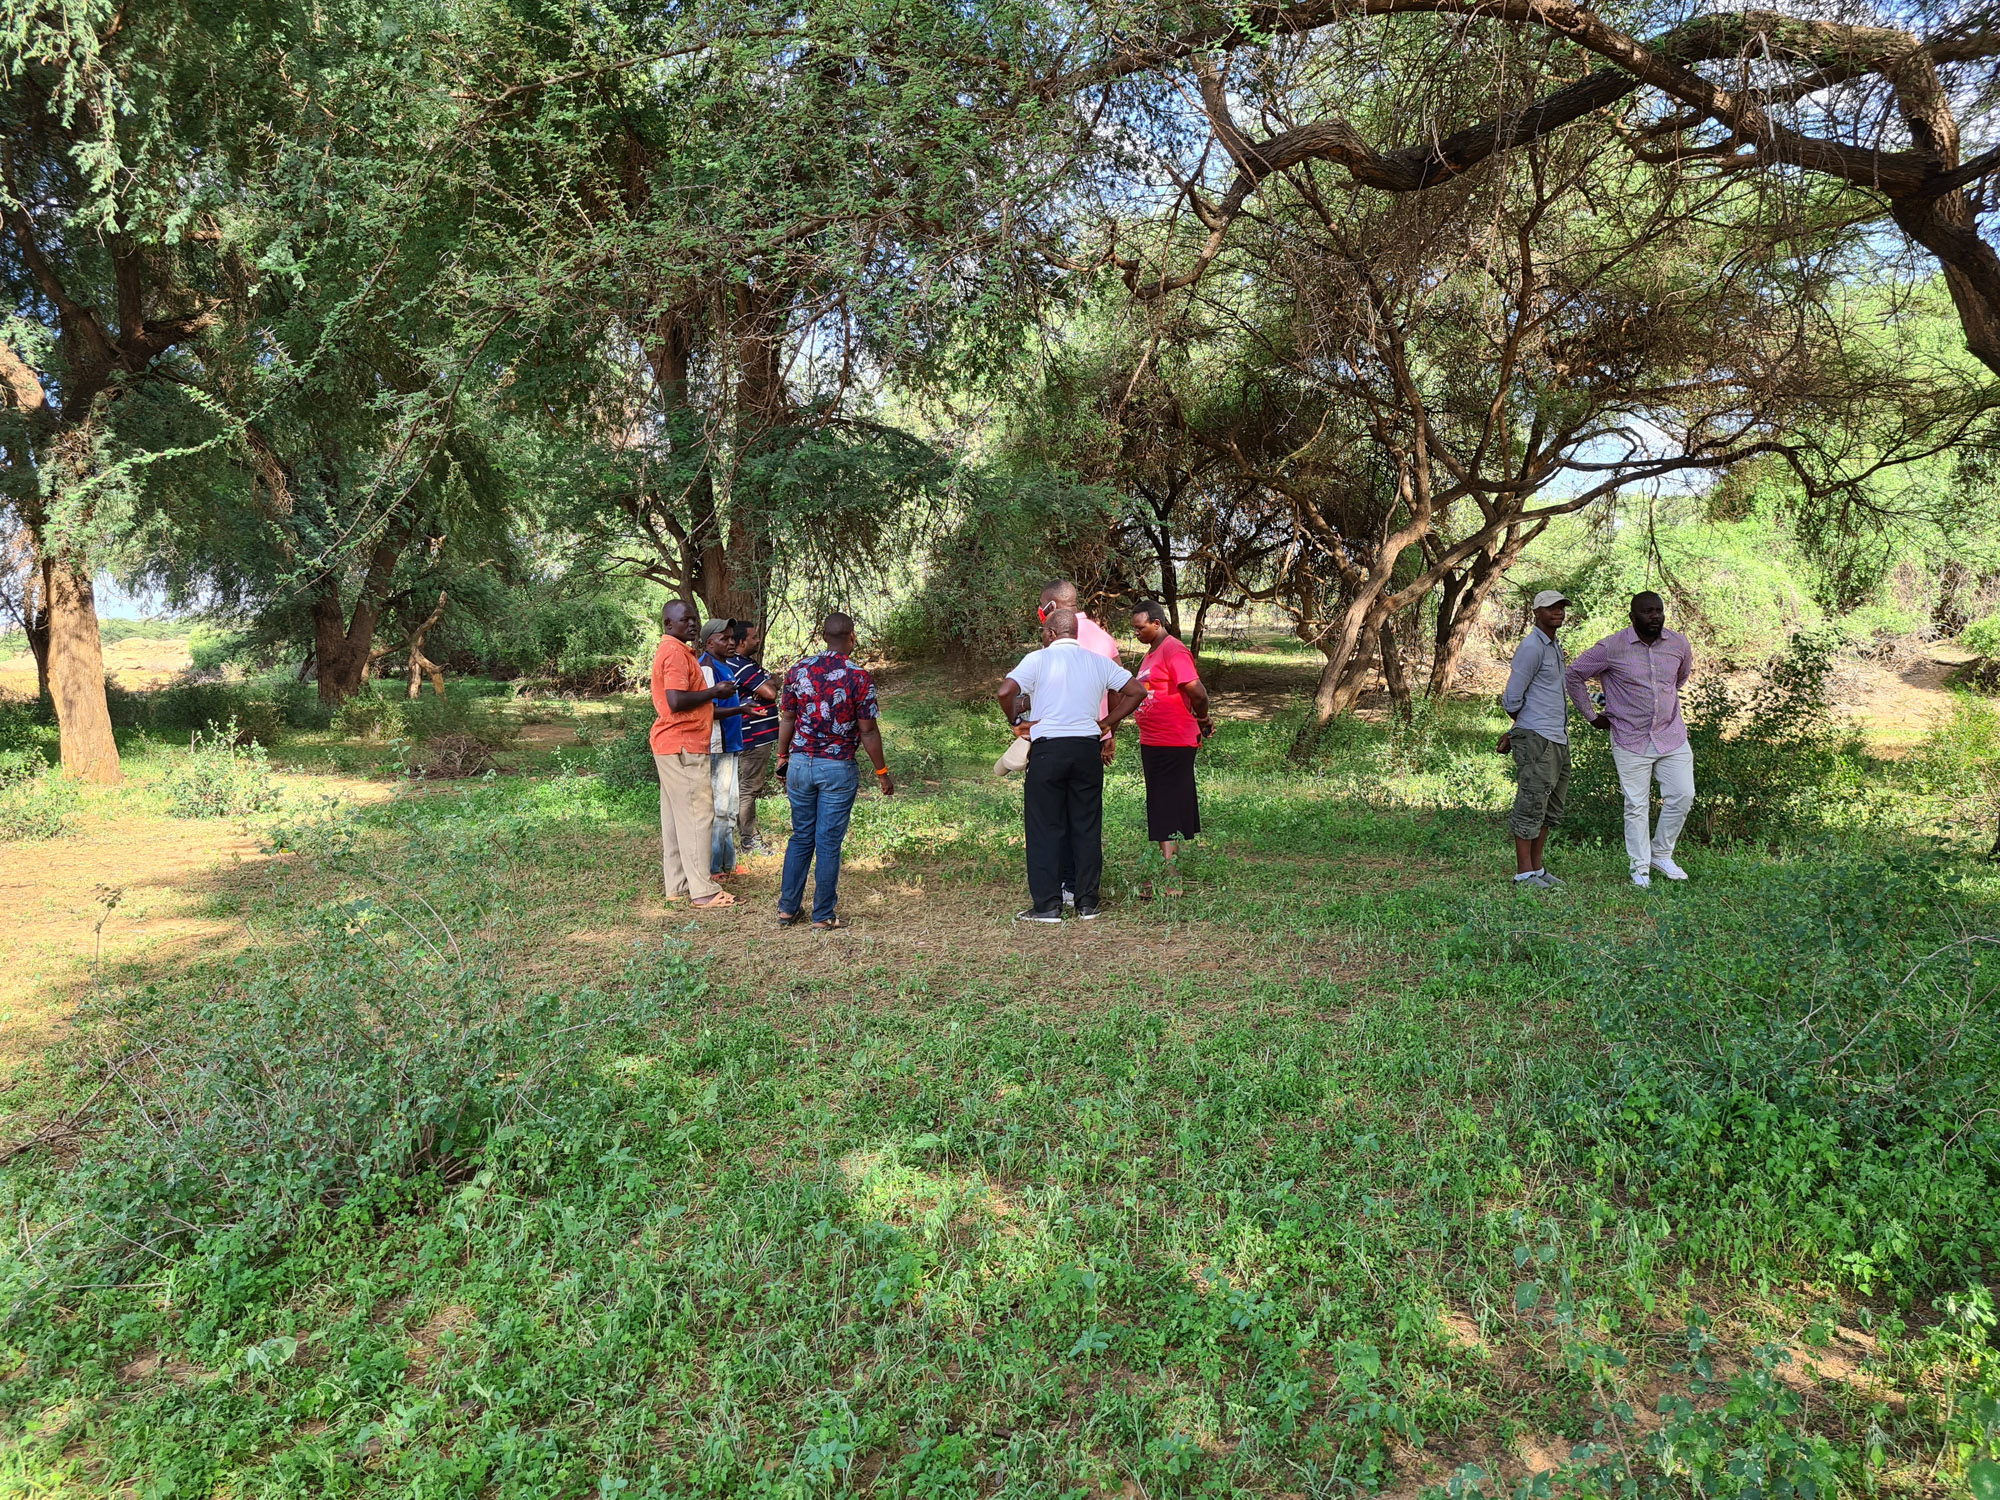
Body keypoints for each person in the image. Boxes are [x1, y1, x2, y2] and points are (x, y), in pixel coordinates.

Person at [998, 607, 1146, 922]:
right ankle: (1087, 903)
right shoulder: (1098, 661)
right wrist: (1106, 723)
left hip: (1048, 750)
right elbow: (1137, 691)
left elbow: (1005, 691)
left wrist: (1017, 722)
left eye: (1043, 633)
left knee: (1044, 826)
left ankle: (1047, 906)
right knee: (1086, 825)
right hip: (1086, 750)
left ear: (1051, 634)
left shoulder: (1038, 659)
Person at [1567, 590, 1696, 888]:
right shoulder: (1611, 647)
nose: (1655, 616)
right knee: (1637, 805)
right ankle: (1640, 867)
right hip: (1630, 737)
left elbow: (1678, 680)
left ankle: (1661, 854)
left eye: (1659, 610)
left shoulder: (1678, 644)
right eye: (1647, 611)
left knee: (1683, 795)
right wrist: (1591, 715)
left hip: (1671, 734)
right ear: (1632, 616)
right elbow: (1573, 674)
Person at [775, 613, 895, 931]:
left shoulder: (798, 670)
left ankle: (787, 909)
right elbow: (868, 731)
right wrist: (882, 772)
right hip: (837, 767)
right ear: (852, 637)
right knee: (828, 841)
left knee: (801, 836)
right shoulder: (858, 676)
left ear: (823, 636)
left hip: (800, 764)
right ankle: (823, 915)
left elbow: (788, 719)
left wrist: (782, 757)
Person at [649, 600, 742, 910]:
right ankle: (703, 891)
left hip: (672, 744)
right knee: (697, 814)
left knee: (676, 819)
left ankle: (678, 885)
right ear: (668, 624)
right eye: (684, 619)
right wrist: (715, 692)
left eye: (694, 618)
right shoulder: (675, 653)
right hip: (683, 744)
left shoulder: (673, 650)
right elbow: (676, 701)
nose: (692, 624)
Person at [1038, 580, 1122, 905]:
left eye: (1041, 607)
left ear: (1053, 606)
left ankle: (1065, 883)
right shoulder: (1103, 638)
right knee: (1085, 816)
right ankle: (1083, 892)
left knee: (1055, 814)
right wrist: (1109, 730)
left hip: (1055, 739)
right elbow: (1119, 689)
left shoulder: (1057, 637)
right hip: (1092, 737)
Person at [1130, 601, 1212, 896]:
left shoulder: (1173, 650)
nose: (1136, 633)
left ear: (1157, 623)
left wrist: (1203, 719)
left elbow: (1197, 692)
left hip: (1173, 741)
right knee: (1161, 807)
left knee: (1166, 808)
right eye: (1134, 629)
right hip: (1154, 741)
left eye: (1140, 627)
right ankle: (1166, 873)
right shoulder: (1152, 653)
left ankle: (1171, 880)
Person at [1497, 589, 1572, 891]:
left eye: (1561, 607)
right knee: (1531, 802)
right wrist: (1523, 729)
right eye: (1551, 607)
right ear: (1536, 612)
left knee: (1549, 806)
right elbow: (1512, 698)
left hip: (1557, 736)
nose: (1558, 612)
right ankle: (1523, 873)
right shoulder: (1531, 647)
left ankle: (1538, 868)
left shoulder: (1554, 646)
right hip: (1539, 737)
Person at [697, 619, 750, 879]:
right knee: (719, 809)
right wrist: (741, 709)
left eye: (732, 637)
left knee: (730, 808)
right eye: (725, 638)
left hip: (730, 744)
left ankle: (728, 863)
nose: (731, 642)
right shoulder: (707, 668)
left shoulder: (723, 666)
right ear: (709, 642)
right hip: (717, 744)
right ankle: (713, 867)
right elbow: (707, 711)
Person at [725, 620, 780, 851]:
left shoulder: (749, 664)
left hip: (758, 735)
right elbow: (771, 692)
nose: (758, 640)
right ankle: (749, 839)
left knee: (748, 785)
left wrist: (770, 682)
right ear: (741, 642)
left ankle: (744, 836)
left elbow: (775, 681)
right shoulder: (740, 666)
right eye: (754, 637)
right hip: (753, 736)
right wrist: (769, 684)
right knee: (749, 786)